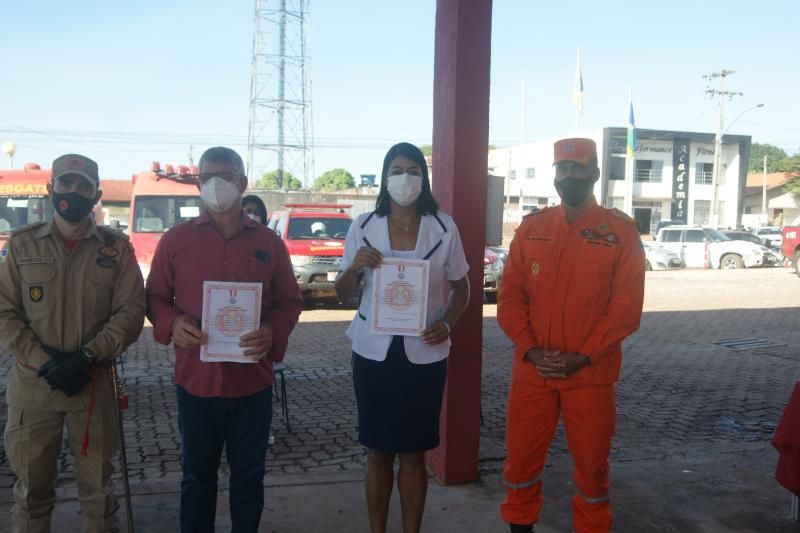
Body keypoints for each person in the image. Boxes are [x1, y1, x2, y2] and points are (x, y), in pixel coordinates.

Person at [145, 146, 302, 532]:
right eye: (206, 177)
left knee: (248, 480)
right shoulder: (176, 240)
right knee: (197, 478)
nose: (215, 185)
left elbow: (290, 301)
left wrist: (271, 331)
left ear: (243, 183)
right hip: (197, 383)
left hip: (252, 384)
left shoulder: (269, 243)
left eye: (225, 176)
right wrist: (172, 323)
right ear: (198, 184)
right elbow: (154, 297)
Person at [497, 138, 645, 533]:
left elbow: (626, 309)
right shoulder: (532, 228)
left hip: (590, 375)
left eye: (578, 169)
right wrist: (528, 349)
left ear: (595, 174)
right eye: (562, 170)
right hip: (533, 372)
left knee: (592, 471)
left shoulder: (620, 232)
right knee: (520, 465)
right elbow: (510, 297)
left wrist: (584, 354)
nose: (569, 177)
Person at [0, 154, 146, 532]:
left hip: (92, 386)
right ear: (51, 189)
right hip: (34, 388)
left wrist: (86, 356)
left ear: (96, 194)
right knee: (31, 493)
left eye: (83, 186)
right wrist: (42, 360)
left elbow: (131, 312)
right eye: (66, 184)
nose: (74, 193)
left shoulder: (116, 250)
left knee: (98, 493)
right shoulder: (22, 245)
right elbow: (4, 313)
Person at [335, 142, 470, 533]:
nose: (404, 178)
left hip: (424, 352)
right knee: (377, 452)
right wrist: (356, 267)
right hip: (373, 352)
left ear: (423, 178)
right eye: (396, 170)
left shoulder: (444, 227)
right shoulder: (362, 226)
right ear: (384, 178)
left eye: (413, 170)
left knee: (414, 453)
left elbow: (462, 286)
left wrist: (449, 321)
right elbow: (343, 293)